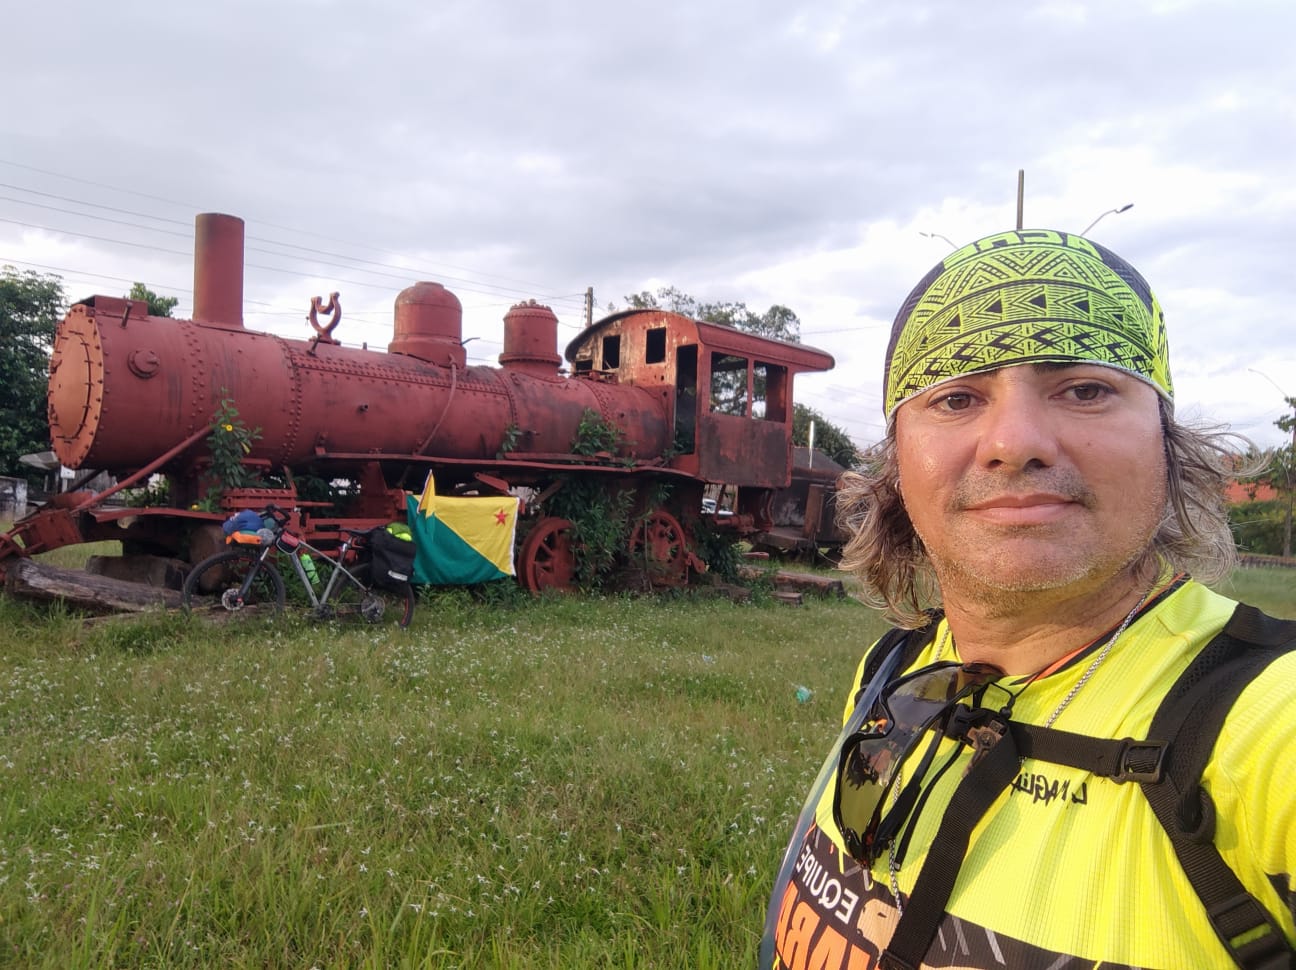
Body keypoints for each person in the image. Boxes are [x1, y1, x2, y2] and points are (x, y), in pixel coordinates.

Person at [760, 229, 1296, 970]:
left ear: (1167, 444)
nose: (1014, 441)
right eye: (955, 397)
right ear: (897, 464)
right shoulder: (897, 670)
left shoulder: (1273, 730)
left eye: (1085, 389)